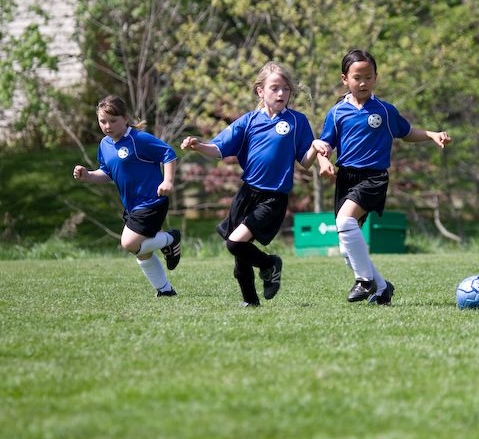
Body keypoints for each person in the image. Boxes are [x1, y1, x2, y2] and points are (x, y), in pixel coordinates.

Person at [314, 49, 451, 305]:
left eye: (368, 77)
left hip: (373, 178)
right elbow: (324, 145)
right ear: (345, 79)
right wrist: (323, 162)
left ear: (376, 77)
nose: (362, 83)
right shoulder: (336, 113)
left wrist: (431, 134)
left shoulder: (385, 111)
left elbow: (407, 132)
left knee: (344, 221)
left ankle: (364, 281)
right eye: (357, 78)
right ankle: (382, 287)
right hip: (346, 179)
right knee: (347, 248)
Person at [181, 61, 322, 307]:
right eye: (274, 88)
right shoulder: (248, 121)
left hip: (273, 197)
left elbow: (306, 161)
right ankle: (250, 302)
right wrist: (198, 146)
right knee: (240, 256)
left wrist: (316, 148)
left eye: (286, 88)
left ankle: (270, 264)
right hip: (247, 193)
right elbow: (219, 149)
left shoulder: (297, 121)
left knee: (235, 243)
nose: (281, 93)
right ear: (260, 91)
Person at [73, 95, 182, 297]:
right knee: (142, 251)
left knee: (129, 243)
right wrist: (88, 175)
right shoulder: (105, 145)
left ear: (125, 118)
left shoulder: (138, 139)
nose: (107, 126)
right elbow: (107, 173)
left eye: (113, 121)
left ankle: (171, 239)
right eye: (103, 121)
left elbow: (168, 154)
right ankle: (165, 290)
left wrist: (167, 181)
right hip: (133, 206)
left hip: (152, 201)